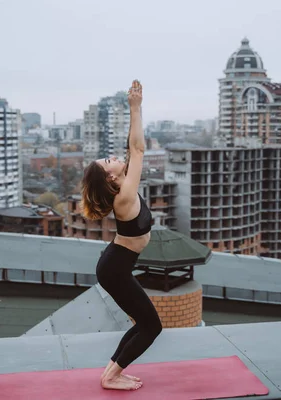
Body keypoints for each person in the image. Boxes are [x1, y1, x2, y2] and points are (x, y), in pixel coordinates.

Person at [80, 79, 162, 391]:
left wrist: (136, 108)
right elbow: (138, 148)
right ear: (112, 176)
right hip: (114, 270)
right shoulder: (124, 196)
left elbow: (134, 147)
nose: (115, 158)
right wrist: (135, 107)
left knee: (146, 323)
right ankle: (110, 376)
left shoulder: (122, 181)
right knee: (152, 326)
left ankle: (112, 371)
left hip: (115, 265)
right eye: (109, 161)